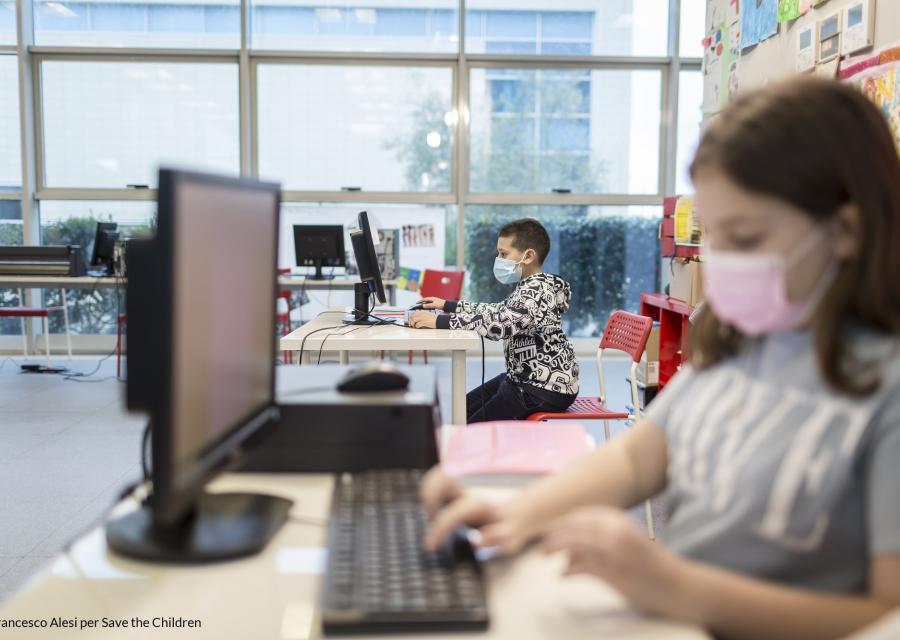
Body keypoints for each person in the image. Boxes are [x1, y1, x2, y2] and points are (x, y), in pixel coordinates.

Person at [419, 78, 900, 639]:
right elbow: (634, 462)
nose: (718, 264)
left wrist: (671, 583)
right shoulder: (740, 353)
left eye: (743, 238)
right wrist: (518, 513)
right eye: (713, 237)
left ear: (844, 230)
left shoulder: (883, 393)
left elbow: (887, 613)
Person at [409, 218, 579, 423]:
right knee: (462, 410)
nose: (499, 259)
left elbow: (503, 325)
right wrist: (447, 305)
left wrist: (438, 322)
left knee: (471, 426)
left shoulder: (538, 291)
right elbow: (498, 310)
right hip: (525, 380)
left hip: (544, 389)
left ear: (529, 256)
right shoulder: (530, 286)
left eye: (504, 254)